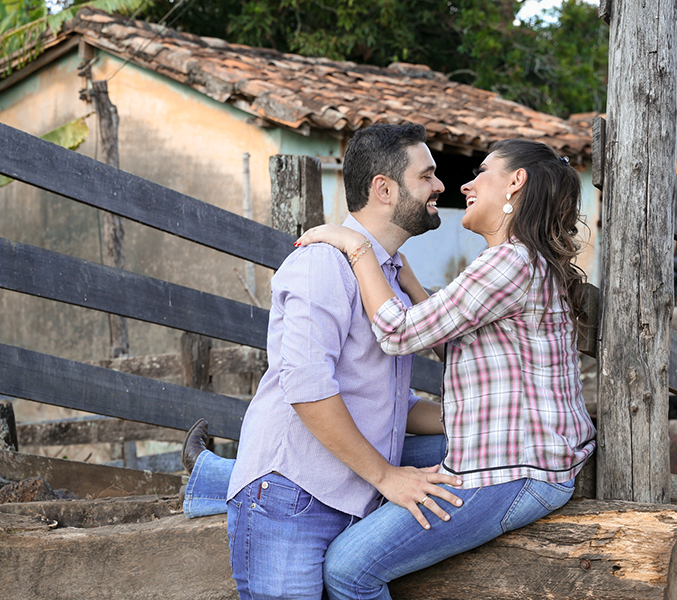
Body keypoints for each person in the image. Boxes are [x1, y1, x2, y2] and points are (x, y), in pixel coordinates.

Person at [293, 138, 597, 599]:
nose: (465, 184)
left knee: (347, 569)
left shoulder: (508, 262)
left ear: (516, 183)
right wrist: (411, 284)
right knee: (377, 447)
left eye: (482, 173)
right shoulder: (521, 261)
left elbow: (397, 335)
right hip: (516, 456)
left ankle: (218, 482)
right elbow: (457, 340)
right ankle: (216, 480)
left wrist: (357, 248)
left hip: (509, 471)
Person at [183, 122, 467, 600]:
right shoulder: (323, 264)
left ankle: (210, 477)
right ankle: (223, 482)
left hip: (346, 488)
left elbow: (388, 399)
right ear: (384, 189)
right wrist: (387, 476)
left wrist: (464, 418)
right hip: (291, 497)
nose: (440, 186)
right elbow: (308, 387)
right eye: (428, 176)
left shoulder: (385, 276)